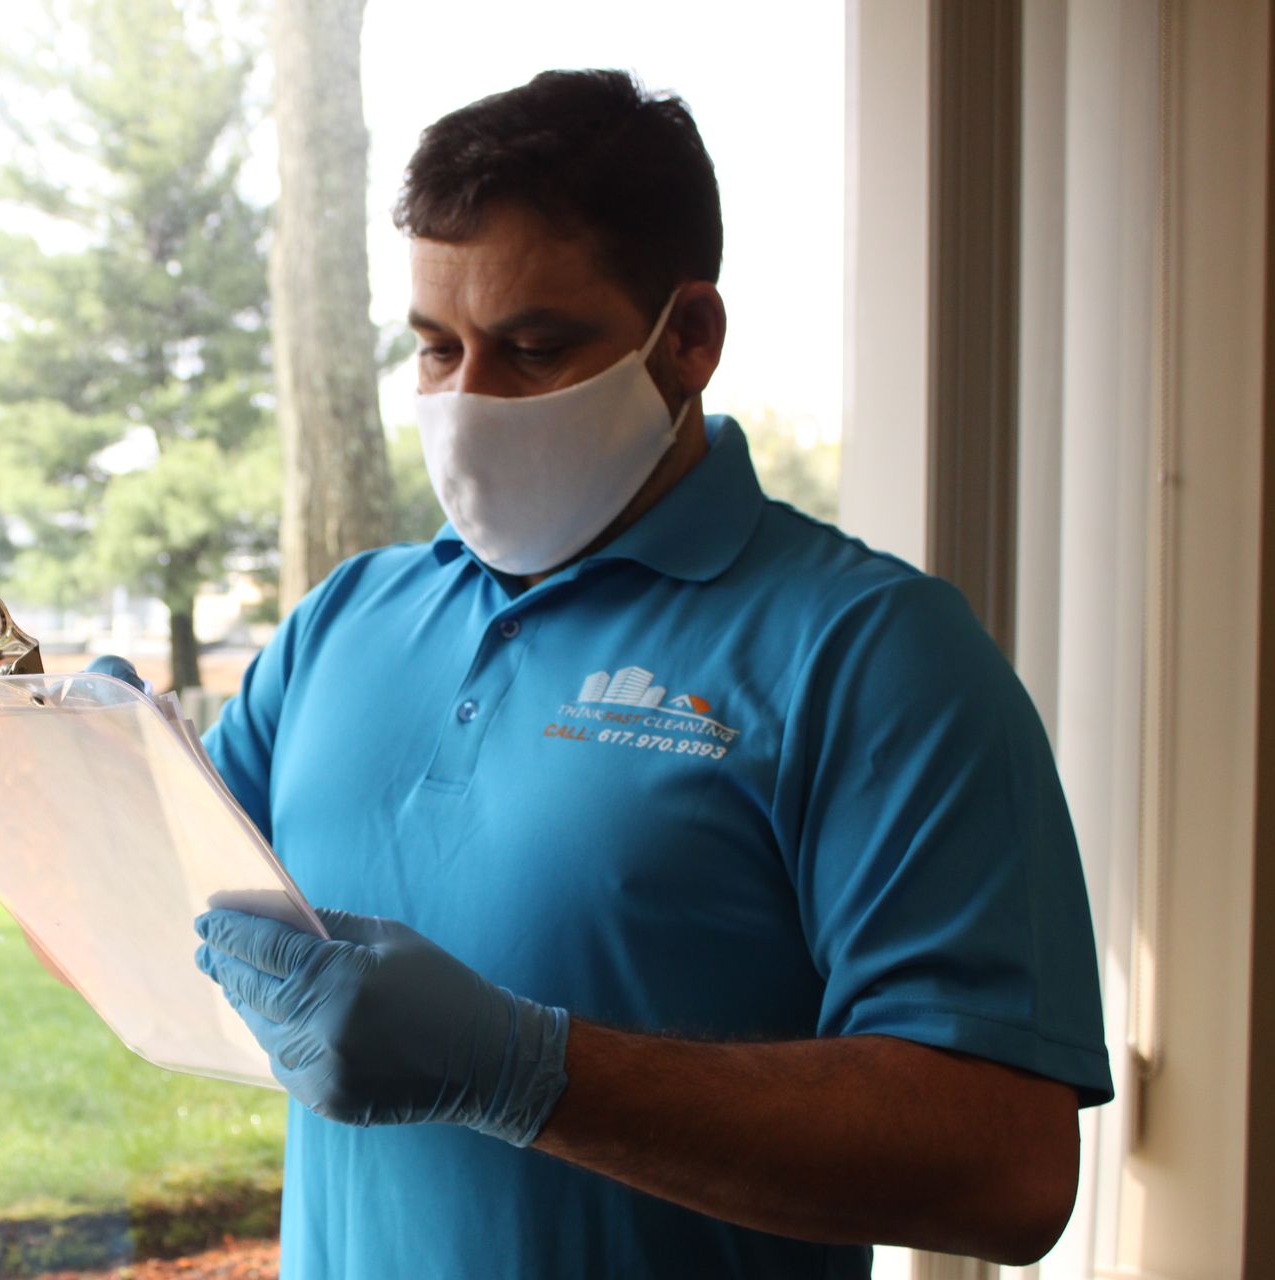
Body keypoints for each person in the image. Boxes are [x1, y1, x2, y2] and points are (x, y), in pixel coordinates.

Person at [184, 69, 1112, 1277]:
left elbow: (1009, 1168)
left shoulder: (873, 651)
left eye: (532, 348)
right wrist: (66, 777)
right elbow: (171, 928)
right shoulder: (345, 621)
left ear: (689, 339)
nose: (467, 402)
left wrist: (530, 1069)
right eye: (434, 348)